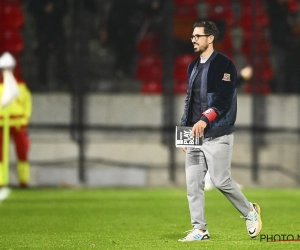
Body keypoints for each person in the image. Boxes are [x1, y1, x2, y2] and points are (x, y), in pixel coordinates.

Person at [178, 21, 262, 242]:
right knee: (193, 184)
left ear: (210, 38)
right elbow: (190, 101)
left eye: (198, 36)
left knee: (221, 181)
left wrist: (206, 119)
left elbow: (224, 101)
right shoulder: (192, 66)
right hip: (195, 135)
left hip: (218, 133)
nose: (193, 39)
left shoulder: (225, 64)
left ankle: (250, 211)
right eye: (192, 36)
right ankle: (200, 229)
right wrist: (184, 133)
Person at [27, 0, 69, 90]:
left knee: (61, 55)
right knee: (43, 56)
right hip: (42, 28)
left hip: (57, 28)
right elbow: (31, 7)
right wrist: (43, 7)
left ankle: (63, 81)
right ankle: (42, 82)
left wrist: (54, 7)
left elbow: (65, 7)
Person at [0, 70, 32, 188]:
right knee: (0, 153)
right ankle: (1, 181)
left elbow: (27, 103)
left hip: (19, 124)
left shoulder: (21, 86)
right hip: (1, 124)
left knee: (22, 151)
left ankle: (24, 180)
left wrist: (25, 119)